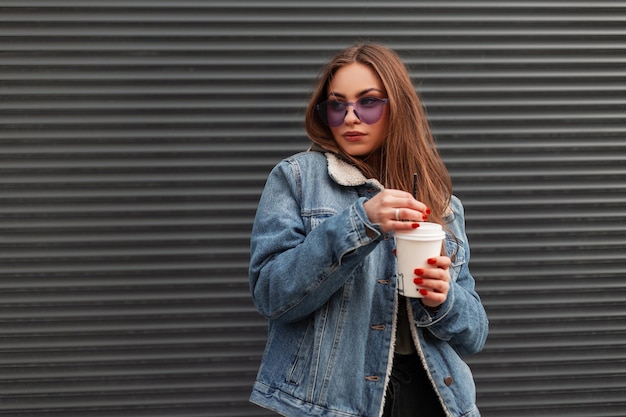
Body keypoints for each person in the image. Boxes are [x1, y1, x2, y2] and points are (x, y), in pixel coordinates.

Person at [248, 43, 488, 417]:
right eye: (337, 104)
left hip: (437, 398)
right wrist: (360, 222)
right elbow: (271, 294)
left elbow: (475, 335)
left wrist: (444, 300)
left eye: (368, 102)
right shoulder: (297, 178)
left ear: (397, 108)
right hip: (333, 402)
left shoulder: (441, 204)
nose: (350, 117)